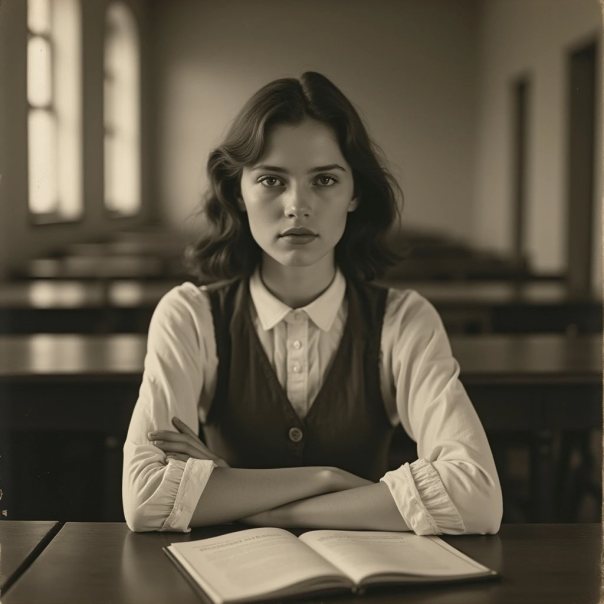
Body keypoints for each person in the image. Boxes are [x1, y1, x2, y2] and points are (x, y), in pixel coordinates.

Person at [122, 71, 502, 534]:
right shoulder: (190, 315)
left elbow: (477, 497)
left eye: (324, 179)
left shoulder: (404, 319)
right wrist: (330, 481)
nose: (297, 206)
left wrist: (236, 497)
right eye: (270, 180)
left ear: (355, 193)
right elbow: (145, 499)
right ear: (238, 191)